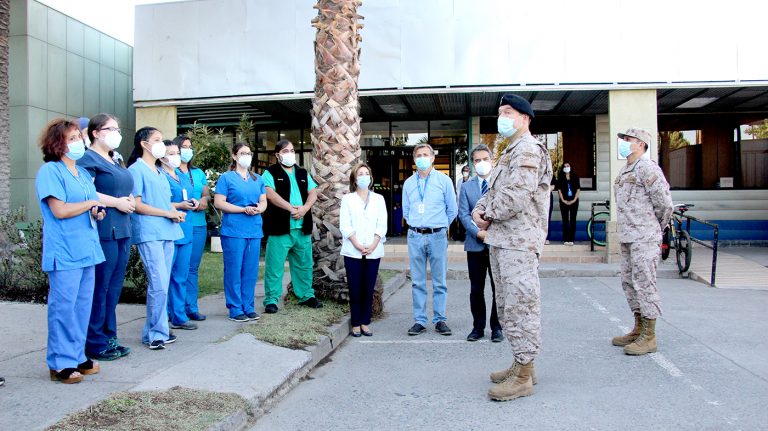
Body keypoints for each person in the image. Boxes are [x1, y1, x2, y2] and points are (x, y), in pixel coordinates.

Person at [472, 94, 552, 401]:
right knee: (507, 305)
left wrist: (487, 217)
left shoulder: (528, 150)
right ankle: (521, 364)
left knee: (521, 306)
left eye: (508, 113)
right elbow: (495, 190)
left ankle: (523, 375)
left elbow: (517, 195)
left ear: (525, 118)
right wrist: (479, 209)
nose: (501, 118)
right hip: (503, 240)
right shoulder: (509, 153)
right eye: (500, 112)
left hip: (518, 243)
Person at [35, 118, 106, 384]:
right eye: (72, 138)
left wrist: (96, 210)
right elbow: (60, 210)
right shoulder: (50, 172)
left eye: (79, 136)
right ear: (58, 144)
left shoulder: (84, 174)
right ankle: (60, 362)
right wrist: (91, 202)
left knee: (81, 308)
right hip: (65, 251)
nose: (79, 142)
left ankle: (77, 355)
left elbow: (88, 207)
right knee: (63, 308)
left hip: (87, 249)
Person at [78, 113, 135, 361]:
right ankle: (95, 342)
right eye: (111, 128)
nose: (117, 133)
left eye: (117, 128)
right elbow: (86, 191)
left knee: (113, 289)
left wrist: (130, 201)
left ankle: (109, 336)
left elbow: (124, 189)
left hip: (123, 229)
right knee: (100, 288)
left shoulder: (114, 160)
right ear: (96, 132)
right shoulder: (86, 159)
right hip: (104, 230)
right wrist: (117, 203)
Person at [612, 128, 673, 356]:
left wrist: (655, 228)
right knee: (629, 282)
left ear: (640, 144)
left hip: (644, 236)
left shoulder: (647, 167)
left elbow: (664, 204)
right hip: (628, 235)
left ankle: (650, 335)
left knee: (645, 283)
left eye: (627, 140)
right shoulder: (627, 169)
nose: (624, 143)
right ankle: (638, 327)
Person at [127, 127, 185, 350]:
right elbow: (138, 205)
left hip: (167, 231)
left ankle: (154, 330)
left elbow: (163, 203)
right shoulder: (136, 170)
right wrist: (168, 213)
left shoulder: (160, 171)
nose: (163, 144)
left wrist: (175, 212)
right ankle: (156, 333)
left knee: (162, 284)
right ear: (144, 144)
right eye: (157, 140)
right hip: (149, 232)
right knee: (158, 284)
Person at [403, 143, 458, 336]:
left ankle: (440, 320)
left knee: (439, 280)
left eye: (426, 154)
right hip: (415, 236)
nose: (422, 158)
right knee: (417, 281)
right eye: (419, 155)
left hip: (437, 236)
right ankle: (419, 320)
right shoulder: (409, 183)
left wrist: (439, 225)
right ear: (414, 158)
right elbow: (406, 210)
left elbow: (452, 210)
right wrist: (417, 225)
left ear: (433, 158)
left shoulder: (444, 181)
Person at [261, 140, 322, 313]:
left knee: (304, 264)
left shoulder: (302, 172)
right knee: (275, 266)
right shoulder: (270, 173)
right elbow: (270, 194)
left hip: (302, 227)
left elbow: (313, 193)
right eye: (285, 150)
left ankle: (306, 296)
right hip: (280, 228)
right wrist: (290, 208)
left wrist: (304, 209)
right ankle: (271, 300)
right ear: (277, 155)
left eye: (292, 150)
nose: (290, 153)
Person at [214, 142, 267, 322]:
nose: (246, 156)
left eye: (249, 153)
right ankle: (235, 308)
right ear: (234, 156)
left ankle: (248, 306)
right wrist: (242, 209)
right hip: (234, 230)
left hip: (254, 230)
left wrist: (258, 209)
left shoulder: (257, 179)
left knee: (250, 271)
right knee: (234, 270)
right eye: (242, 153)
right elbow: (219, 202)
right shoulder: (226, 178)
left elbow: (263, 202)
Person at [458, 144, 503, 343]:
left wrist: (490, 228)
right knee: (476, 289)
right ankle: (478, 327)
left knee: (497, 288)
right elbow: (463, 214)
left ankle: (497, 327)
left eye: (485, 159)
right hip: (475, 245)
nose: (481, 163)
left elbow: (505, 211)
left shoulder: (501, 184)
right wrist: (478, 232)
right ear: (472, 163)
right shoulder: (466, 186)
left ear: (492, 160)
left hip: (497, 244)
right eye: (477, 160)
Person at [340, 163, 387, 337]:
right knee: (355, 288)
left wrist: (374, 243)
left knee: (368, 287)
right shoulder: (348, 199)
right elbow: (345, 225)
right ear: (354, 179)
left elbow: (382, 224)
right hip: (353, 251)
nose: (364, 176)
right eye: (360, 174)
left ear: (370, 177)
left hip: (374, 250)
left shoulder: (379, 199)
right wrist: (357, 244)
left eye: (366, 173)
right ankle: (356, 323)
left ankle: (365, 322)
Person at [160, 139, 198, 331]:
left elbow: (188, 195)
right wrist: (179, 206)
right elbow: (158, 203)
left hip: (186, 229)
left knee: (181, 275)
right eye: (171, 153)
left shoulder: (182, 176)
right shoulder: (160, 175)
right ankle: (163, 315)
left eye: (177, 152)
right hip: (169, 229)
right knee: (165, 276)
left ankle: (179, 315)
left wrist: (193, 202)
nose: (176, 156)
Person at [175, 135, 211, 321]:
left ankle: (191, 307)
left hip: (199, 224)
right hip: (178, 223)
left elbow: (206, 194)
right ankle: (175, 308)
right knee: (178, 268)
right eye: (183, 147)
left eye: (189, 147)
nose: (187, 150)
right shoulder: (170, 171)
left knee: (192, 268)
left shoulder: (197, 173)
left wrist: (203, 201)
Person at [556, 162, 580, 245]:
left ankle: (571, 239)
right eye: (565, 166)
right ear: (563, 168)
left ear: (570, 167)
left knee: (573, 220)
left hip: (574, 201)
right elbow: (559, 190)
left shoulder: (575, 176)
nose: (566, 167)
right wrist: (563, 200)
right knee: (565, 220)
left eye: (568, 166)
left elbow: (578, 189)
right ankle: (566, 239)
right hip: (564, 201)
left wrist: (574, 200)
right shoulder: (560, 177)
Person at [452, 165, 470, 241]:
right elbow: (457, 193)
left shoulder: (472, 180)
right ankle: (459, 236)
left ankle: (465, 237)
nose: (465, 172)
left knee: (467, 221)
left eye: (467, 171)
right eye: (464, 170)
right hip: (459, 204)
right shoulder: (459, 181)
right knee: (459, 221)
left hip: (468, 205)